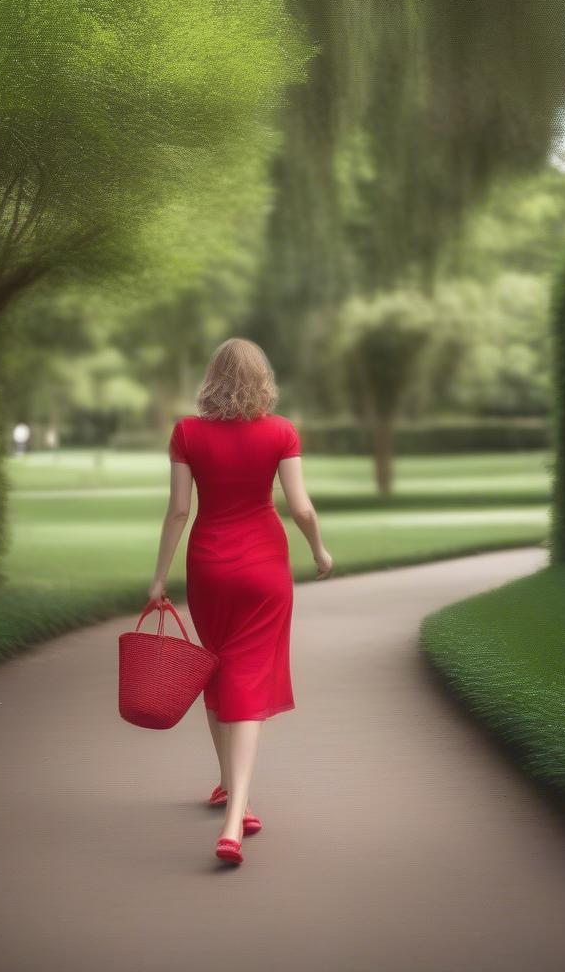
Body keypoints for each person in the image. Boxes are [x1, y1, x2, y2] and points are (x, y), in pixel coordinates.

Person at [148, 337, 333, 867]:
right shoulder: (280, 432)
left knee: (217, 669)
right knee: (245, 679)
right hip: (265, 569)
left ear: (212, 379)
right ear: (262, 381)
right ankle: (237, 817)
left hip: (209, 565)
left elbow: (179, 512)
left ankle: (234, 791)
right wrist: (319, 550)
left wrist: (158, 577)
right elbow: (299, 506)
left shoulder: (187, 433)